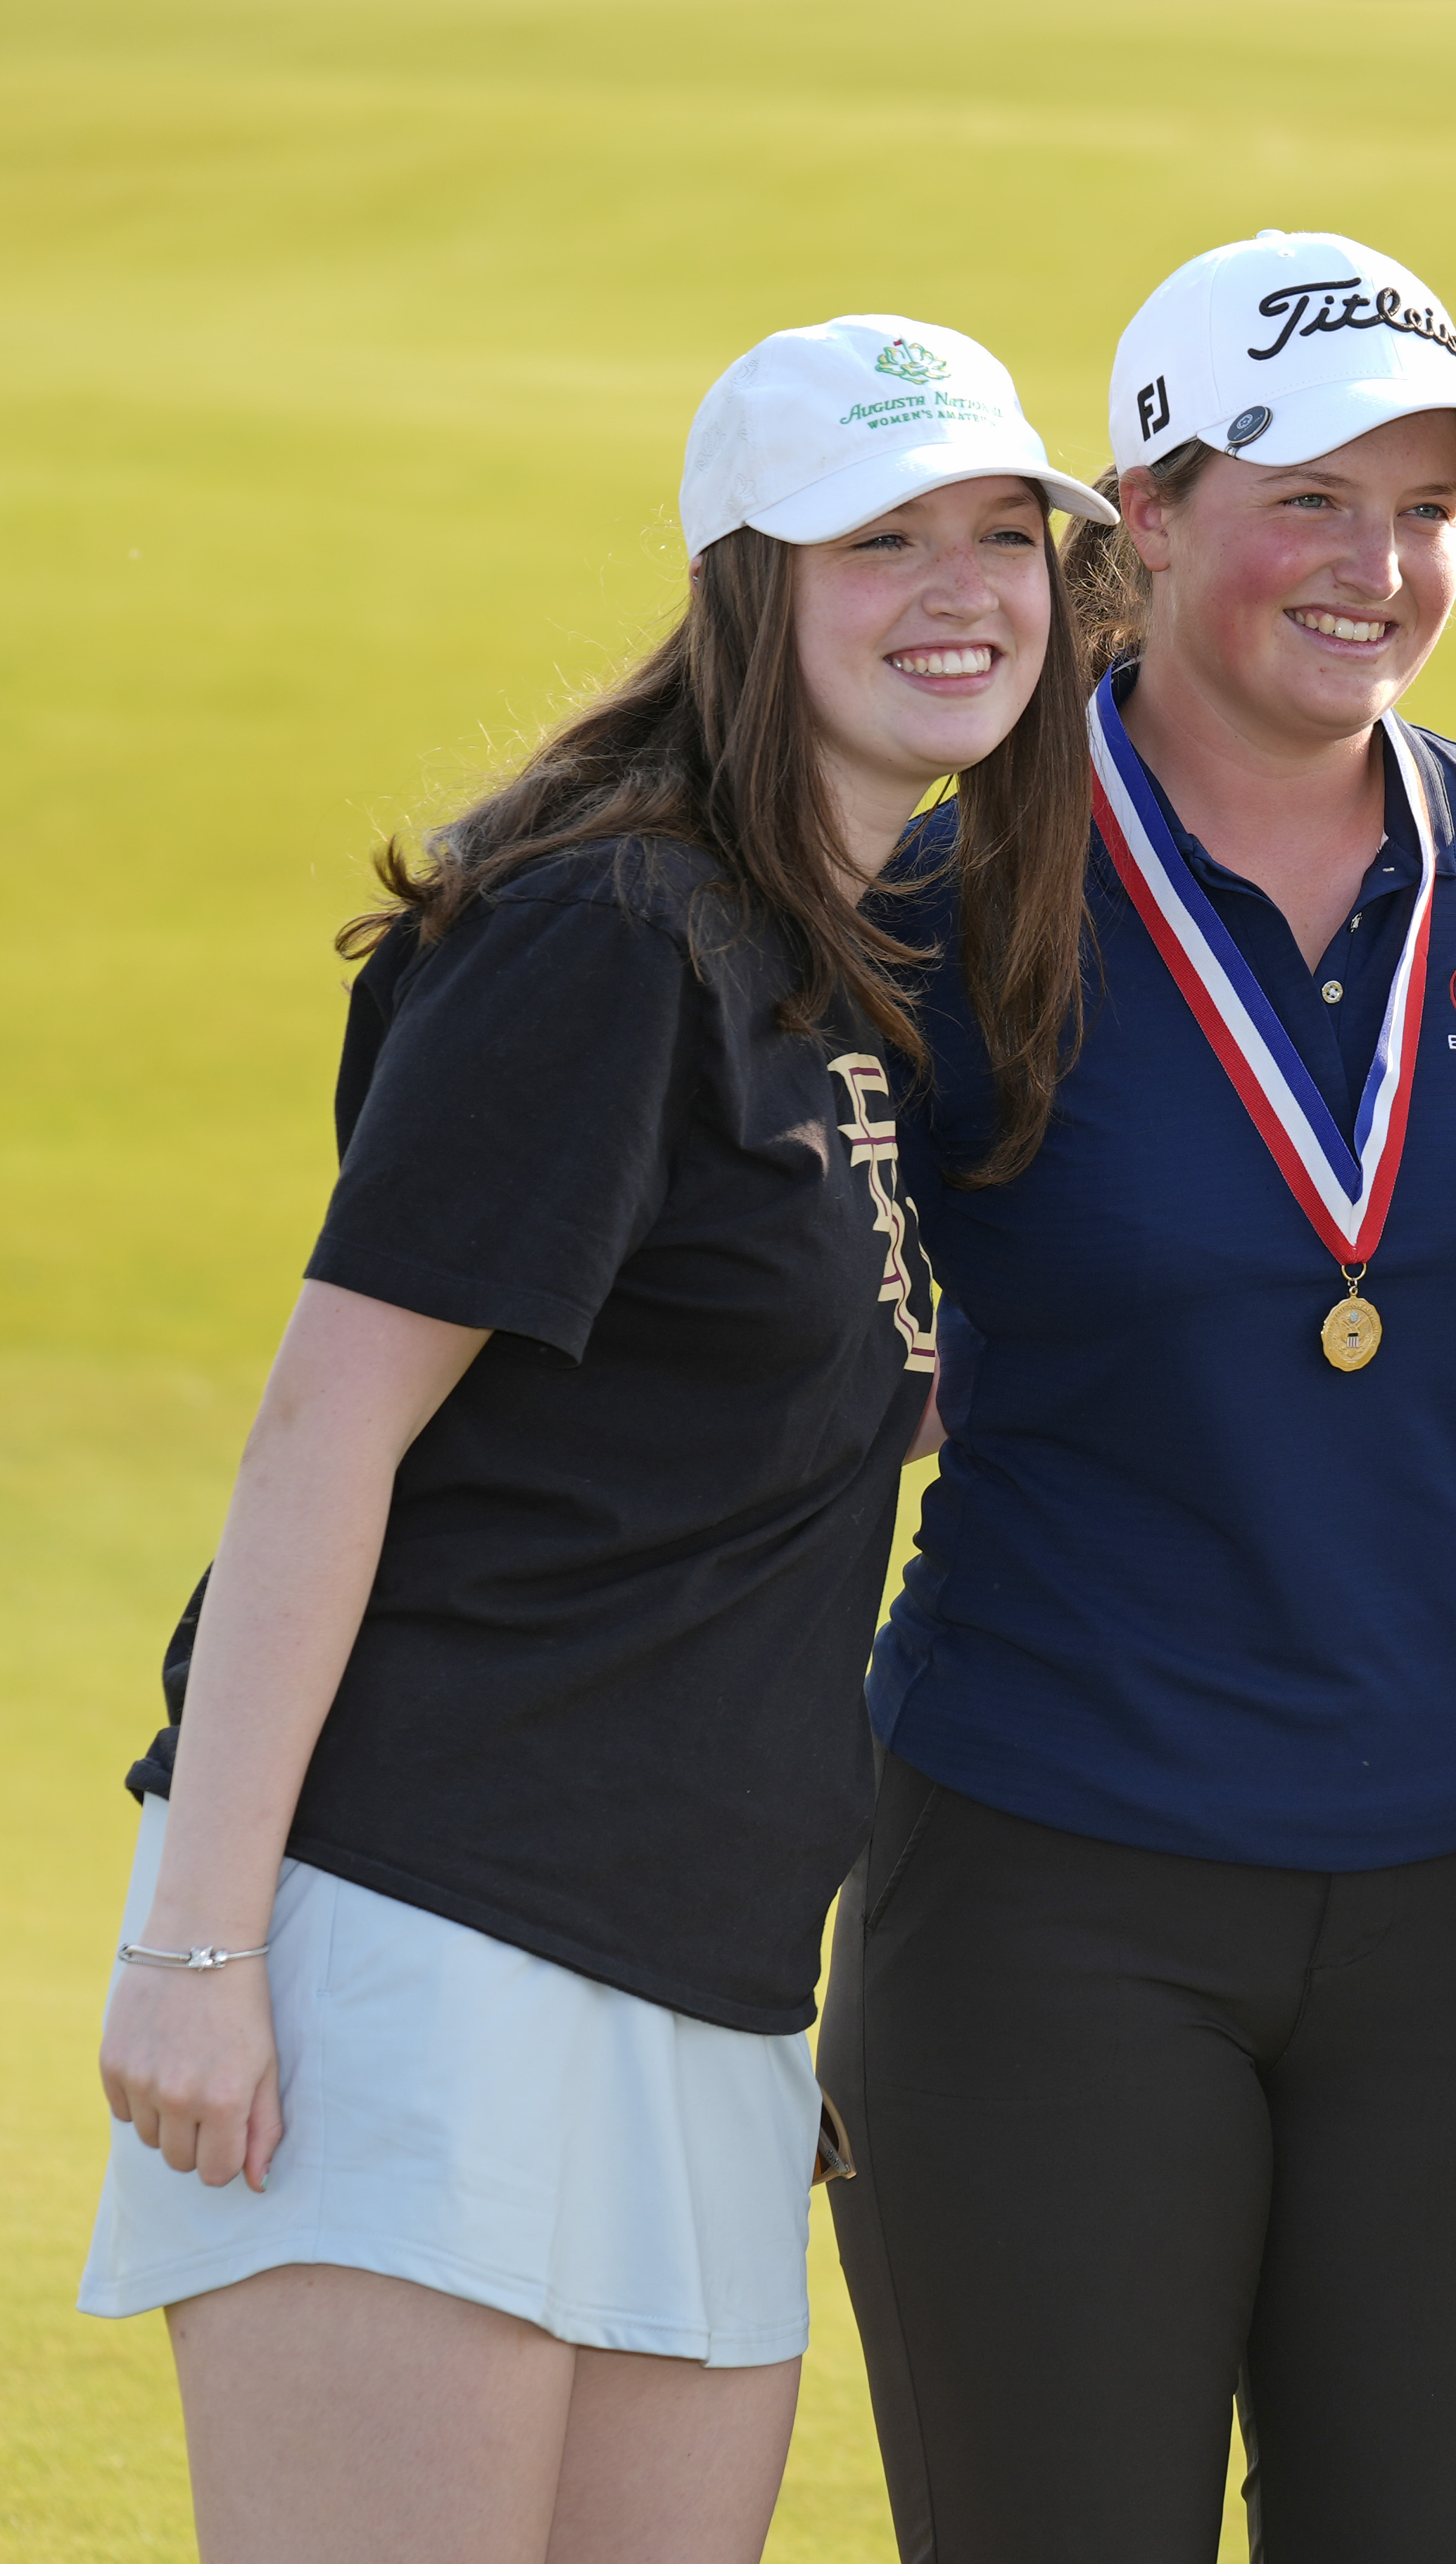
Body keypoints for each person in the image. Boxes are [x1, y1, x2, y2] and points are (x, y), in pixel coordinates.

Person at [82, 315, 1110, 2563]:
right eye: (882, 541)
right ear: (751, 584)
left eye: (1000, 534)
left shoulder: (849, 958)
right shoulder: (608, 927)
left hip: (711, 1987)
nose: (962, 589)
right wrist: (199, 1943)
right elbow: (318, 1436)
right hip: (433, 1944)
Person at [816, 230, 1456, 2564]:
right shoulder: (947, 888)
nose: (1377, 565)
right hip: (1052, 1876)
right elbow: (809, 1377)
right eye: (1309, 495)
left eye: (1427, 506)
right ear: (1152, 512)